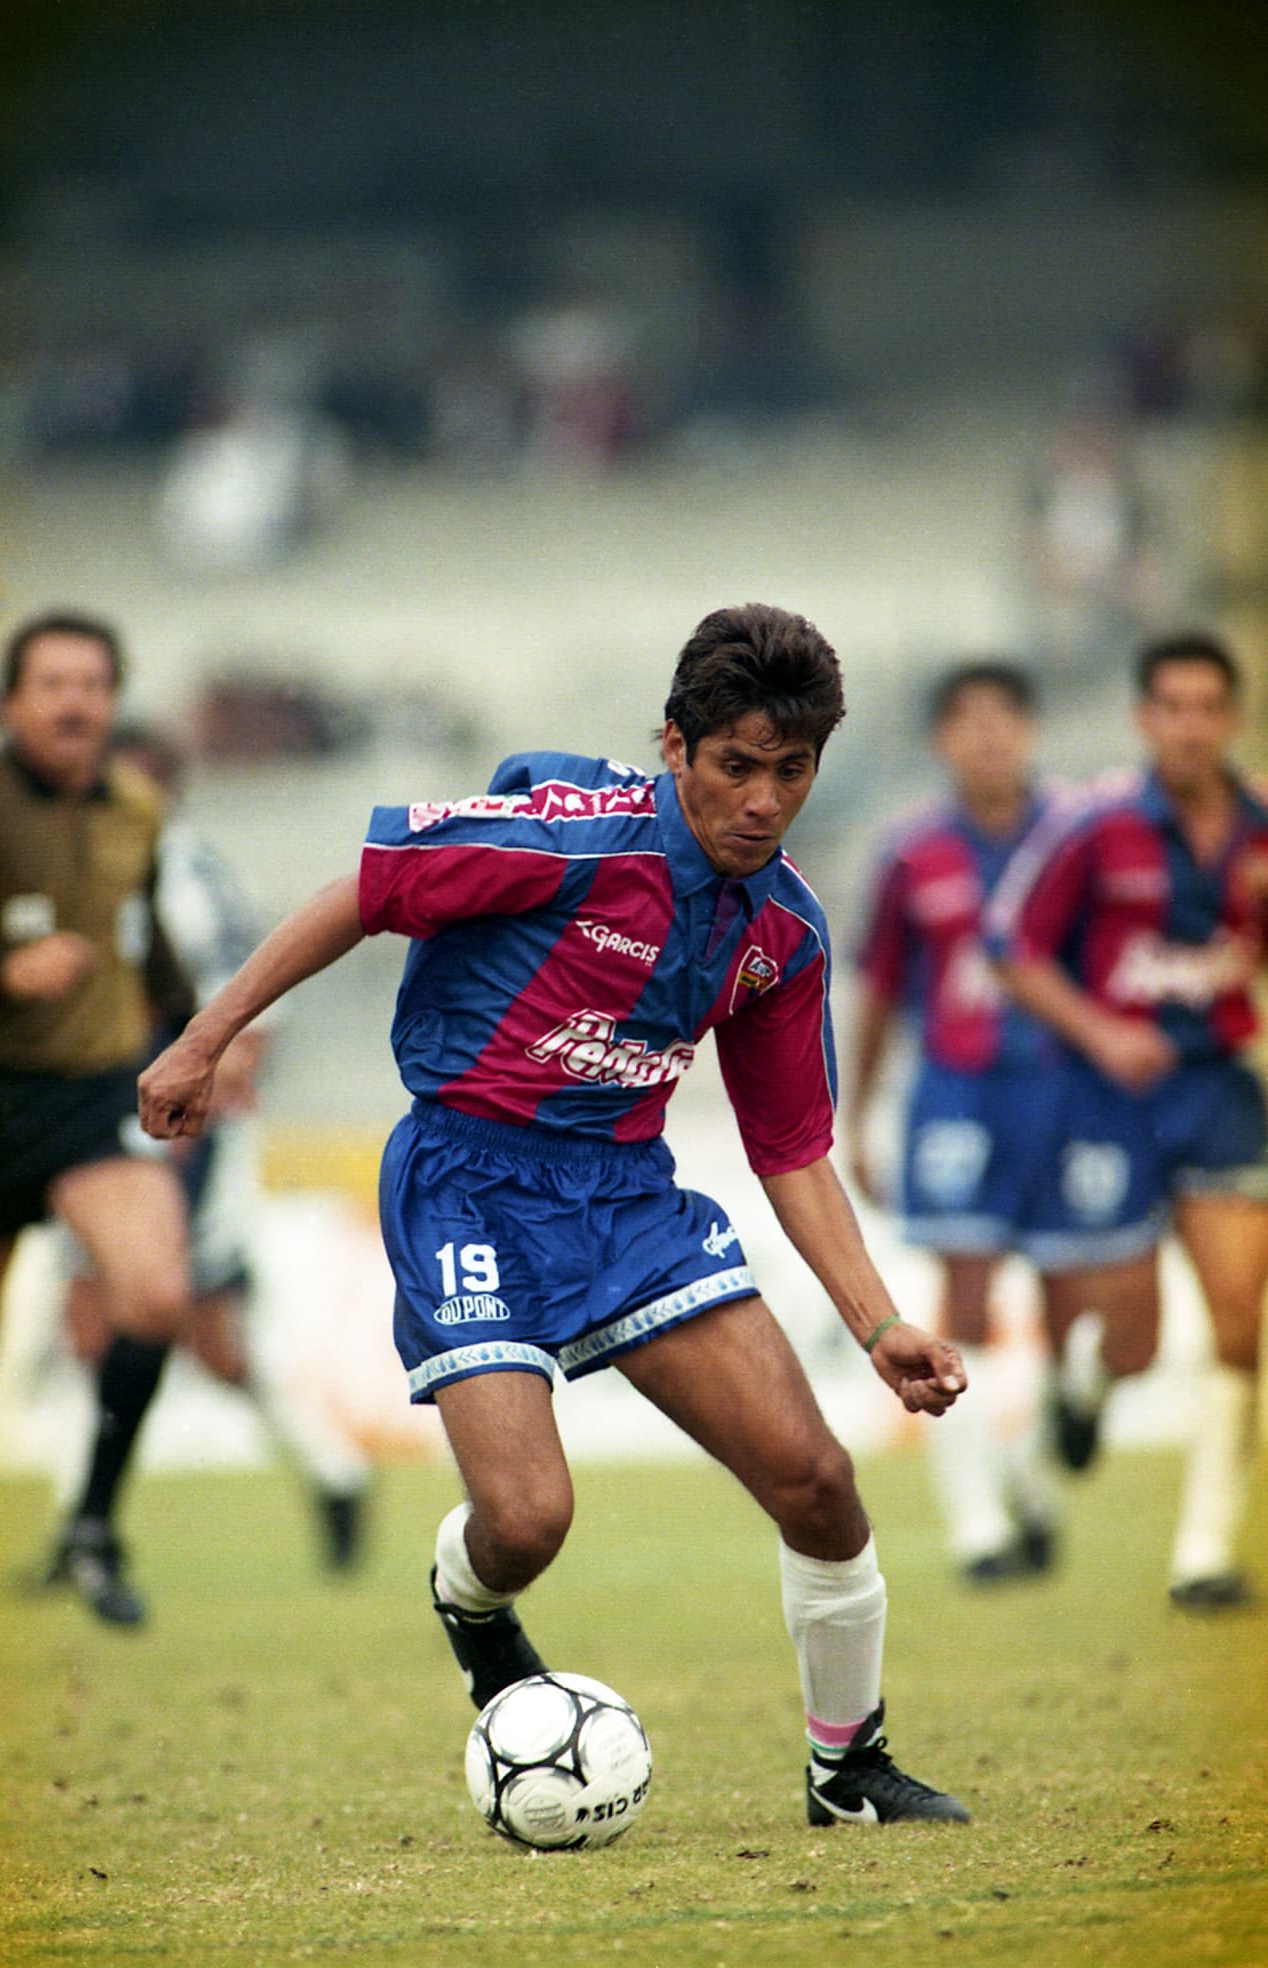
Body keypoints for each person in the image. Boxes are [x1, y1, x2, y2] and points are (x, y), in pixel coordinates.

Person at [139, 603, 971, 1828]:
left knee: (817, 1480)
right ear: (674, 747)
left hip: (625, 1198)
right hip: (465, 1180)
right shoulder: (568, 841)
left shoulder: (780, 931)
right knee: (527, 1520)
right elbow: (362, 894)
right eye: (735, 766)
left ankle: (846, 1771)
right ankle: (469, 1600)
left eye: (789, 772)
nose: (761, 800)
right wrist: (204, 1042)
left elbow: (789, 1148)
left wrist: (876, 1321)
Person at [990, 629, 1268, 1609]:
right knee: (1134, 1340)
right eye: (1171, 707)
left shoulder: (1257, 829)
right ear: (1142, 718)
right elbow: (1010, 948)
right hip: (1107, 1096)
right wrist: (1101, 1035)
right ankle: (1081, 1395)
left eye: (1207, 706)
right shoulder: (1092, 824)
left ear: (1229, 717)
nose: (1190, 725)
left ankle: (1200, 1555)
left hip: (1216, 1089)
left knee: (1239, 1318)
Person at [55, 723, 373, 1571]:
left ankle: (333, 1470)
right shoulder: (86, 865)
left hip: (184, 1142)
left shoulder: (185, 870)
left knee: (205, 1337)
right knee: (90, 1320)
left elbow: (255, 1019)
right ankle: (80, 1518)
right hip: (99, 1126)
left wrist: (192, 1120)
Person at [0, 611, 193, 1624]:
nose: (75, 702)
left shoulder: (136, 806)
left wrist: (205, 1033)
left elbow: (145, 940)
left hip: (89, 1097)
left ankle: (93, 1524)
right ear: (9, 703)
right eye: (52, 683)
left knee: (156, 1296)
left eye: (92, 684)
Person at [847, 661, 1067, 1585]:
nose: (987, 738)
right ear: (942, 739)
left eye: (1004, 719)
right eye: (967, 722)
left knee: (1079, 1312)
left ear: (1028, 730)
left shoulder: (1076, 836)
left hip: (1065, 1092)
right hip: (957, 1097)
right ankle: (976, 1525)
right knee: (964, 1302)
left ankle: (1027, 1473)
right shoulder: (911, 852)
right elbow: (880, 990)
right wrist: (856, 1116)